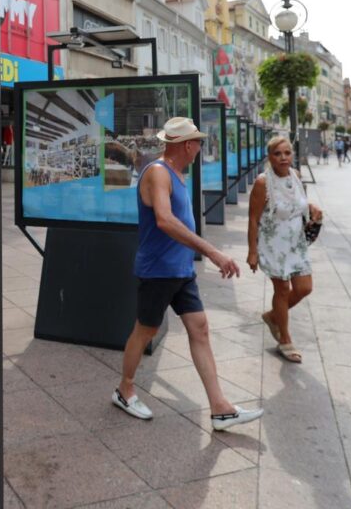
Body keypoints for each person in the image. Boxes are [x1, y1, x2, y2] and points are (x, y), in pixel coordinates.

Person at [111, 118, 263, 432]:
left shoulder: (177, 174)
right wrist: (212, 251)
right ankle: (124, 390)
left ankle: (220, 408)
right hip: (159, 271)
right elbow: (164, 221)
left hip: (180, 270)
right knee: (145, 331)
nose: (199, 150)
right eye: (198, 144)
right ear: (187, 145)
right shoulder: (157, 172)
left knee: (200, 329)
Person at [247, 137, 322, 363]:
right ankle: (285, 339)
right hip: (273, 245)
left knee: (304, 288)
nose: (283, 158)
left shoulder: (296, 176)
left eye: (287, 153)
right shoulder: (262, 183)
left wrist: (312, 207)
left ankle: (273, 316)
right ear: (269, 157)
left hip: (296, 243)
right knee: (282, 290)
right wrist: (252, 251)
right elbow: (253, 219)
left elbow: (297, 202)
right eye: (277, 154)